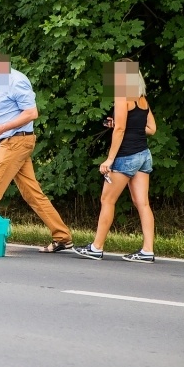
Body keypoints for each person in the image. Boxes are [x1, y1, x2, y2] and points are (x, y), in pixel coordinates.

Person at [0, 50, 72, 252]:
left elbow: (31, 113)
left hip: (16, 141)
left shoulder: (16, 80)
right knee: (32, 193)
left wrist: (3, 128)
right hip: (11, 141)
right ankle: (62, 236)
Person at [73, 60, 156, 263]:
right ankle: (147, 251)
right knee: (143, 204)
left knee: (107, 200)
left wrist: (109, 159)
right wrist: (120, 124)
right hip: (143, 155)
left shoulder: (122, 96)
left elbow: (120, 130)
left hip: (126, 156)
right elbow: (151, 129)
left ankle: (96, 247)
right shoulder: (142, 99)